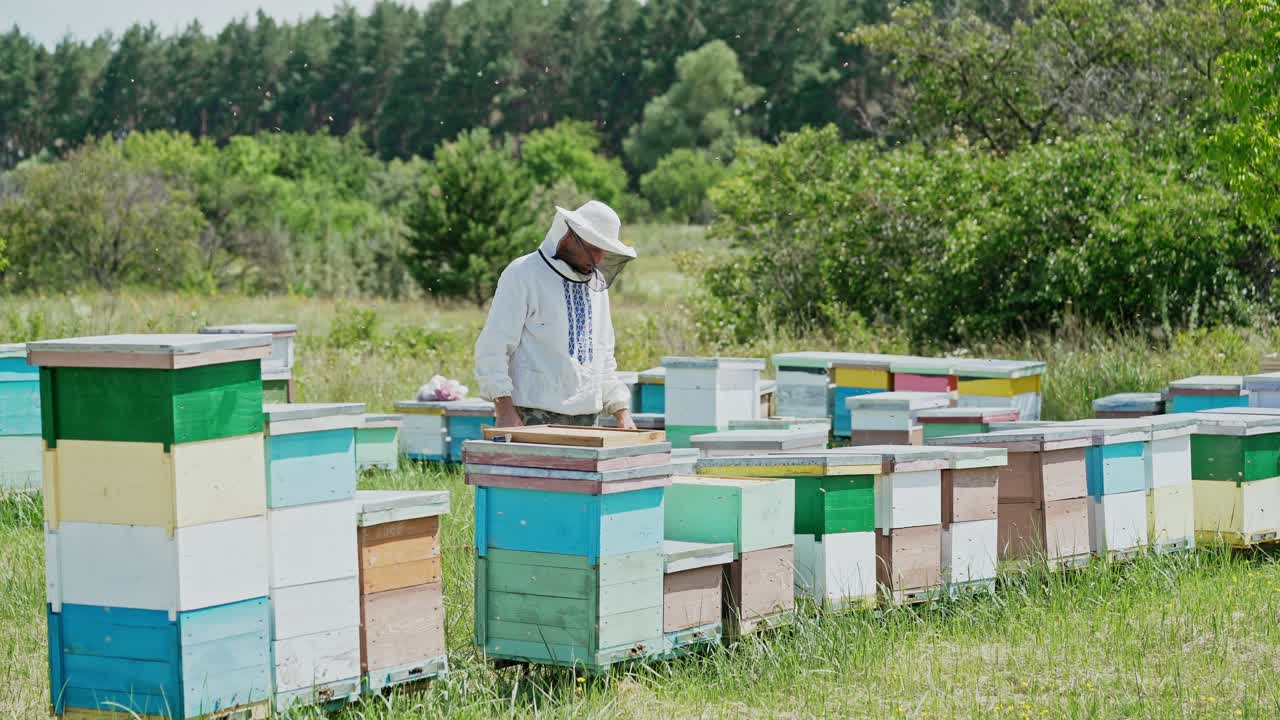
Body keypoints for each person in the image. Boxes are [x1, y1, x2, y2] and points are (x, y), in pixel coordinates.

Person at [474, 200, 638, 429]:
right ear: (571, 237)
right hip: (532, 415)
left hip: (588, 417)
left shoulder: (596, 288)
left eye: (604, 251)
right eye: (594, 249)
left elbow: (603, 355)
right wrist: (504, 411)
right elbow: (493, 347)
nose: (599, 259)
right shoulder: (523, 274)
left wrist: (621, 411)